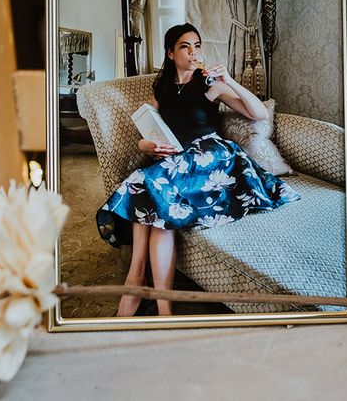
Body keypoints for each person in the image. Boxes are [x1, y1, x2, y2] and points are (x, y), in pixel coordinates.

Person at [96, 22, 300, 316]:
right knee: (147, 190)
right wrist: (147, 147)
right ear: (170, 53)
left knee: (147, 183)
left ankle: (136, 284)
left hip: (213, 156)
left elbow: (257, 113)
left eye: (197, 46)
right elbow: (148, 131)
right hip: (179, 159)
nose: (193, 53)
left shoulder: (209, 85)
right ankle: (159, 303)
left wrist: (228, 79)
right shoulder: (162, 88)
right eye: (185, 46)